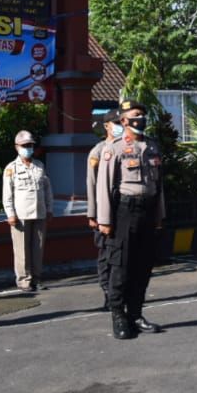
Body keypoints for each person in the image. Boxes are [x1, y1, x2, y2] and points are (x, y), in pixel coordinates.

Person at [96, 98, 164, 339]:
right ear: (123, 120)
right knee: (121, 266)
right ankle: (118, 315)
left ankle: (135, 313)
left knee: (143, 267)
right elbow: (104, 186)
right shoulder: (113, 148)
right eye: (136, 115)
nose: (141, 119)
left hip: (148, 211)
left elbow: (159, 186)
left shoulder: (152, 147)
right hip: (124, 211)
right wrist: (104, 220)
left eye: (143, 115)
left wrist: (159, 215)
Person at [3, 130, 53, 292]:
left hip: (39, 212)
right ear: (17, 147)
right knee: (22, 250)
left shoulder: (39, 165)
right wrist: (10, 214)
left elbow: (47, 189)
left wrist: (49, 208)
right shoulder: (11, 168)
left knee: (38, 248)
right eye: (25, 145)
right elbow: (7, 194)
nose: (28, 148)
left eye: (30, 145)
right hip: (21, 215)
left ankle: (37, 278)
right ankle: (24, 280)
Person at [86, 108, 123, 310]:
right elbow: (91, 184)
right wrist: (93, 214)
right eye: (116, 123)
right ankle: (108, 292)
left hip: (123, 211)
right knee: (106, 255)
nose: (120, 126)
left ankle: (120, 292)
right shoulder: (98, 152)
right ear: (107, 126)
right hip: (104, 213)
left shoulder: (128, 148)